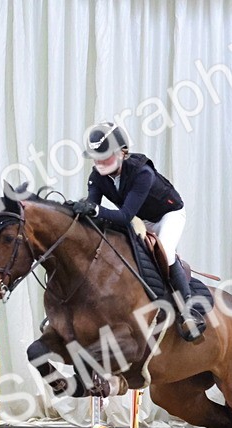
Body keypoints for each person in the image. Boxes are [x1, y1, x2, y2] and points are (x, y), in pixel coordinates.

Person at [72, 122, 201, 340]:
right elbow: (93, 213)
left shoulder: (142, 172)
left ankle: (188, 310)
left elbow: (124, 216)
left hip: (169, 215)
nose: (99, 162)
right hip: (142, 219)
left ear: (123, 153)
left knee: (166, 251)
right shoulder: (96, 177)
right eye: (96, 156)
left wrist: (94, 209)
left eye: (105, 155)